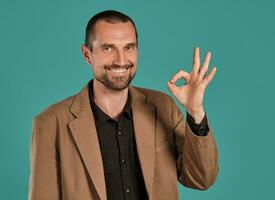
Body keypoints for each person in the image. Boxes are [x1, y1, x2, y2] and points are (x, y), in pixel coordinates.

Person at [28, 10, 218, 200]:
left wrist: (195, 112)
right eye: (108, 48)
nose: (121, 60)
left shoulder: (163, 107)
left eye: (129, 47)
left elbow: (201, 179)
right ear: (87, 54)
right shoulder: (50, 124)